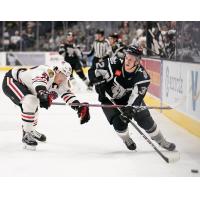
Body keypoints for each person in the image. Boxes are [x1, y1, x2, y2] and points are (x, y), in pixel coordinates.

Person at [88, 45, 176, 151]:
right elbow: (92, 69)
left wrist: (130, 109)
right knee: (119, 124)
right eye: (127, 57)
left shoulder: (143, 77)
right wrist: (96, 81)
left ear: (138, 61)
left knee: (145, 120)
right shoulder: (114, 63)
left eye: (131, 59)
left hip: (129, 99)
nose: (127, 61)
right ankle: (126, 139)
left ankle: (161, 141)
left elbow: (137, 97)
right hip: (108, 99)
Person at [2, 61, 90, 150]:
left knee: (33, 102)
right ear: (56, 70)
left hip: (28, 88)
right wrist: (42, 93)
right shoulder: (46, 71)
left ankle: (30, 130)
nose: (63, 78)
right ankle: (27, 133)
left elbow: (67, 94)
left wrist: (78, 106)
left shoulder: (63, 81)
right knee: (31, 101)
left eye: (66, 76)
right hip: (13, 80)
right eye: (62, 75)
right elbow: (39, 82)